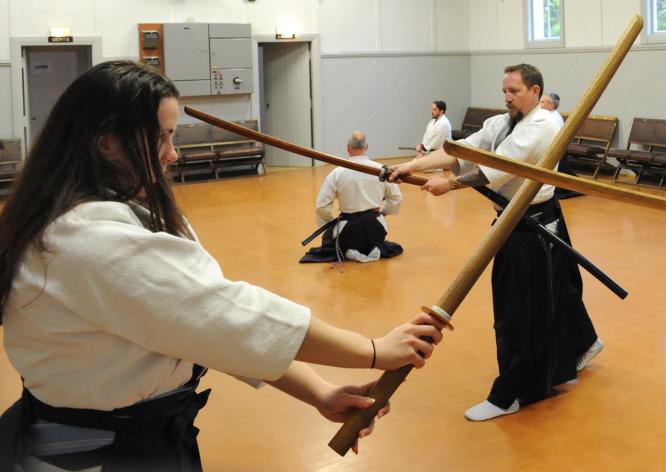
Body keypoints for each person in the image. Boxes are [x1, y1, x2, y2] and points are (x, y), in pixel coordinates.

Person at [0, 61, 445, 470]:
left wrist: (319, 392)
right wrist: (371, 351)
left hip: (127, 438)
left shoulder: (106, 215)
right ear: (106, 143)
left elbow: (201, 329)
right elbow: (223, 315)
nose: (172, 154)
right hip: (94, 454)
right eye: (161, 138)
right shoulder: (87, 239)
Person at [388, 63, 602, 422]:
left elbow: (494, 169)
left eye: (514, 91)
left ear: (535, 92)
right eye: (504, 91)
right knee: (559, 291)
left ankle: (512, 394)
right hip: (519, 219)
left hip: (531, 228)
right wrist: (414, 165)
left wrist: (450, 185)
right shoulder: (504, 122)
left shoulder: (542, 124)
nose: (507, 97)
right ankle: (581, 343)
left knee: (516, 313)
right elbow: (463, 150)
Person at [301, 131, 403, 264]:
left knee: (332, 237)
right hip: (376, 227)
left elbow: (322, 206)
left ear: (348, 147)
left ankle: (349, 250)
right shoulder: (381, 170)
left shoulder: (337, 173)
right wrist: (383, 214)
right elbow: (396, 198)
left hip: (348, 230)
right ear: (366, 147)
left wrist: (331, 223)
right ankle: (372, 248)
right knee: (372, 232)